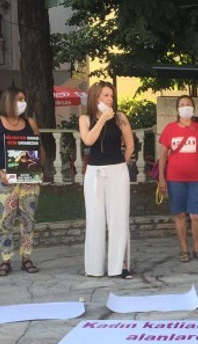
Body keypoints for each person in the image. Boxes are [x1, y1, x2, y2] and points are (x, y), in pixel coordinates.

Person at [0, 86, 46, 277]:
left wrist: (39, 165)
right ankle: (6, 259)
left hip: (28, 178)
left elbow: (40, 149)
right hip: (5, 178)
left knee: (28, 219)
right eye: (19, 99)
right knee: (6, 219)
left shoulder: (30, 123)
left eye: (24, 99)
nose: (23, 103)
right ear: (9, 101)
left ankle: (27, 257)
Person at [79, 81, 135, 279]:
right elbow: (88, 140)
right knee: (94, 219)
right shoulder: (85, 119)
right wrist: (102, 120)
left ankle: (120, 266)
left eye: (112, 96)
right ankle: (94, 267)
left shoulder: (120, 118)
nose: (110, 99)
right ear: (95, 97)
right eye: (106, 95)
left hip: (117, 170)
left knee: (119, 218)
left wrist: (120, 165)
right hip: (94, 172)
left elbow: (130, 145)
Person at [158, 95, 198, 262]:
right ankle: (184, 250)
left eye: (188, 104)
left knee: (196, 215)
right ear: (177, 109)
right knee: (180, 214)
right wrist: (162, 178)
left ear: (193, 108)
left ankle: (197, 249)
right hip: (175, 179)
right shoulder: (170, 129)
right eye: (182, 104)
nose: (185, 107)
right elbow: (162, 155)